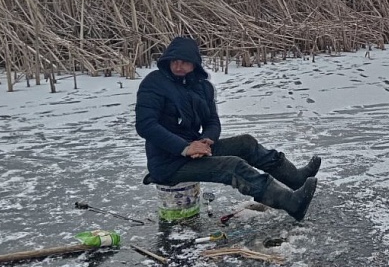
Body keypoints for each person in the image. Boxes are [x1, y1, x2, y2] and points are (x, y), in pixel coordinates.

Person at [135, 36, 321, 221]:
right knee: (232, 166)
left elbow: (212, 120)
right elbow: (145, 125)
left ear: (194, 63)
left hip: (195, 150)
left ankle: (295, 178)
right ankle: (291, 203)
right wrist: (185, 148)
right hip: (168, 162)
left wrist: (208, 139)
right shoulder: (155, 83)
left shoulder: (203, 87)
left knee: (246, 143)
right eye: (174, 61)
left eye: (184, 62)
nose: (177, 66)